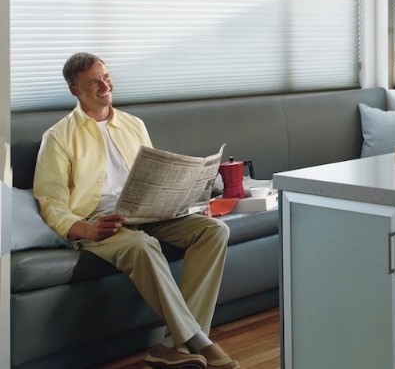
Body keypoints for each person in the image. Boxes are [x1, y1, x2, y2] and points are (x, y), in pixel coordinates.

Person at [33, 53, 240, 369]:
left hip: (147, 212)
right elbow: (51, 202)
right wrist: (84, 229)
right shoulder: (58, 137)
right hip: (98, 222)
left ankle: (173, 346)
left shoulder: (134, 125)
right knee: (142, 246)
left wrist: (186, 204)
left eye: (106, 76)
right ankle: (199, 341)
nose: (105, 85)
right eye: (94, 82)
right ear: (75, 90)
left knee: (213, 231)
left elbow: (154, 178)